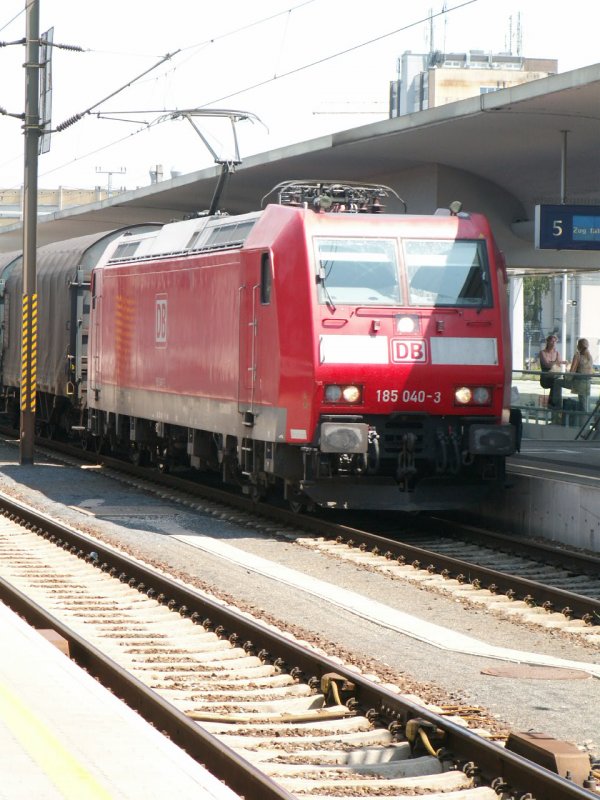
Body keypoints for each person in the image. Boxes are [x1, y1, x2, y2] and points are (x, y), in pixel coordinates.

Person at [569, 338, 594, 412]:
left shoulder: (578, 355)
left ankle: (555, 406)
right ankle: (586, 421)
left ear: (578, 346)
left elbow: (572, 371)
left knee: (557, 382)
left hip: (579, 382)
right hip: (587, 382)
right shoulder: (590, 356)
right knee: (585, 402)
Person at [539, 334, 563, 409]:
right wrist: (556, 362)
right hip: (546, 378)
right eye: (552, 341)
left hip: (554, 377)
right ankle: (553, 404)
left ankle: (554, 404)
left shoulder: (557, 353)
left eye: (555, 342)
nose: (553, 343)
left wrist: (558, 362)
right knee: (557, 382)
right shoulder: (542, 353)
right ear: (548, 342)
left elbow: (559, 365)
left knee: (558, 381)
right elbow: (547, 365)